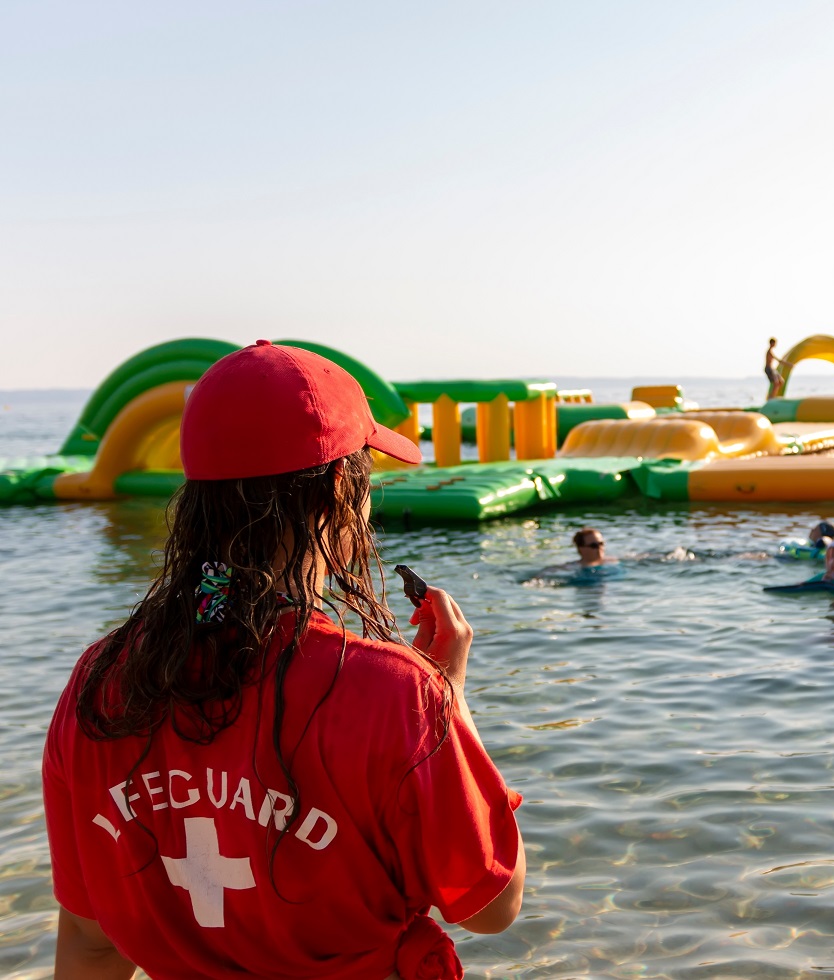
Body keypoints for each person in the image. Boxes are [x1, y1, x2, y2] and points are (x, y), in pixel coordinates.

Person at [42, 341, 525, 979]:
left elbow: (90, 941)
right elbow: (491, 906)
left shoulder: (102, 685)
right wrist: (450, 702)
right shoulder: (394, 694)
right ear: (336, 495)